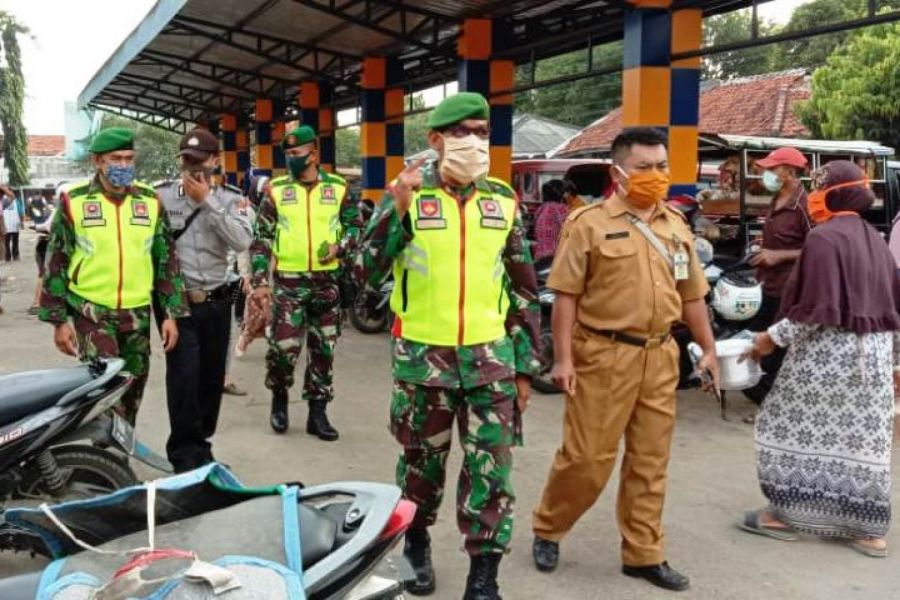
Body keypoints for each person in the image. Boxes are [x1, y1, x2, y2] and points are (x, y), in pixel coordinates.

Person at [356, 92, 541, 600]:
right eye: (463, 133)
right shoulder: (407, 194)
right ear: (435, 140)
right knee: (421, 468)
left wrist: (524, 367)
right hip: (424, 364)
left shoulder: (502, 199)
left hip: (491, 364)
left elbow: (524, 288)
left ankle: (485, 576)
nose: (475, 142)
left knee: (492, 473)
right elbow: (363, 271)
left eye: (482, 132)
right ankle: (416, 544)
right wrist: (397, 210)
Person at [530, 127, 718, 592]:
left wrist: (709, 348)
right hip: (603, 354)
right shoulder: (588, 223)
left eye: (661, 167)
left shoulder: (676, 225)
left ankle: (643, 553)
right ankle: (548, 527)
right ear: (618, 171)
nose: (655, 176)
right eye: (644, 167)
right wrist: (564, 360)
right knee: (587, 458)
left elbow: (691, 294)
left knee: (650, 461)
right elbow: (566, 296)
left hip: (659, 356)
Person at [741, 160, 900, 558]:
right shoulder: (874, 238)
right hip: (875, 360)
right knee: (863, 443)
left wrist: (767, 340)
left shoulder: (825, 239)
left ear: (836, 192)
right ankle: (869, 532)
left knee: (783, 425)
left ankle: (785, 515)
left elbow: (812, 312)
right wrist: (894, 364)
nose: (812, 196)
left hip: (829, 360)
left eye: (819, 187)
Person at [38, 127, 188, 425]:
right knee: (104, 391)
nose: (123, 165)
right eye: (115, 159)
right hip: (91, 312)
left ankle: (116, 455)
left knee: (132, 389)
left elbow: (166, 260)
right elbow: (55, 262)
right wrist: (58, 321)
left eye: (129, 159)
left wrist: (170, 314)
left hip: (137, 313)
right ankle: (104, 458)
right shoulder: (75, 201)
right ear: (97, 161)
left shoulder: (149, 201)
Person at [249, 125, 362, 440]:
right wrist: (260, 281)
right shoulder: (276, 190)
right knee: (283, 350)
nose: (292, 159)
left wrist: (342, 246)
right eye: (288, 154)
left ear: (314, 154)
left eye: (297, 154)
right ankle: (280, 398)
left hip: (327, 284)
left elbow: (355, 226)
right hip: (288, 285)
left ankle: (318, 413)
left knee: (323, 351)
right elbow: (262, 238)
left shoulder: (339, 188)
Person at [154, 128, 253, 473]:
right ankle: (183, 455)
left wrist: (206, 202)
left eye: (200, 162)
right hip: (179, 304)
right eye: (187, 162)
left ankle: (201, 446)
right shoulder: (162, 198)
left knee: (211, 379)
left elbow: (242, 241)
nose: (193, 169)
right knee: (183, 377)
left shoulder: (232, 199)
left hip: (218, 301)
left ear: (215, 161)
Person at [745, 147, 811, 403]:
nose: (766, 173)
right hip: (768, 286)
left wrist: (778, 256)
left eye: (772, 169)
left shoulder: (804, 205)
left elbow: (819, 250)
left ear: (789, 172)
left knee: (773, 351)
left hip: (790, 290)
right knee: (755, 342)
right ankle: (767, 398)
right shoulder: (776, 200)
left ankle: (774, 403)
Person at [532, 179, 570, 271]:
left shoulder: (541, 208)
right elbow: (569, 232)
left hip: (540, 255)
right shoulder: (562, 209)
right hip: (555, 257)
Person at [30, 195, 56, 312]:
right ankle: (37, 302)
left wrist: (35, 227)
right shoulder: (55, 211)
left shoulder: (46, 211)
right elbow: (47, 226)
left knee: (43, 274)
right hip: (47, 243)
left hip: (42, 242)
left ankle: (39, 302)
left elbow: (42, 226)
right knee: (44, 274)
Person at [2, 190, 21, 262]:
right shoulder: (16, 201)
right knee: (14, 241)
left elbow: (20, 211)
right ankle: (15, 256)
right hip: (10, 224)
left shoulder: (2, 201)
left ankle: (8, 257)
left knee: (7, 242)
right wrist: (21, 221)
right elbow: (20, 211)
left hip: (10, 224)